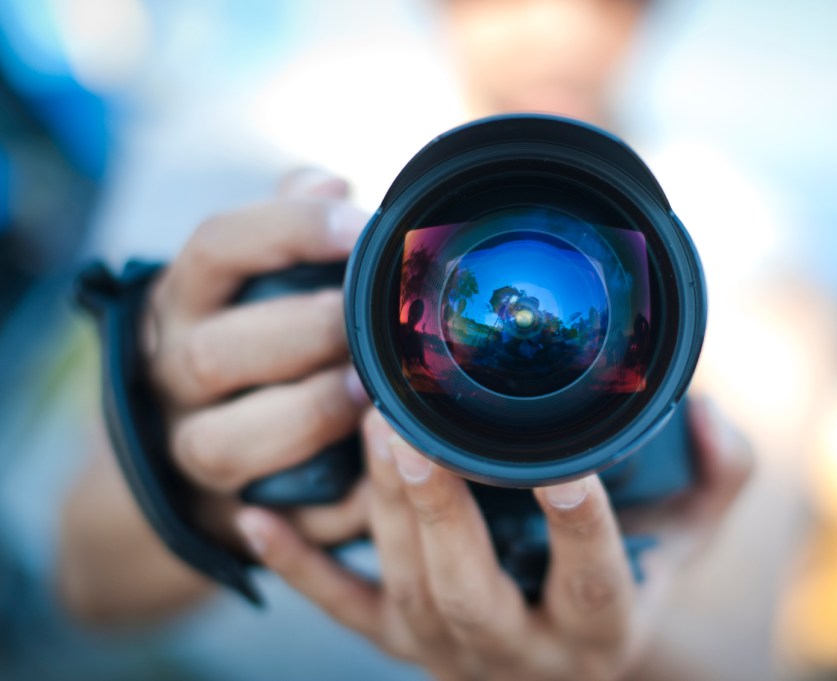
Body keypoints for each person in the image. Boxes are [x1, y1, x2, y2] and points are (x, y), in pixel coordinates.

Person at [57, 1, 754, 679]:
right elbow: (85, 579)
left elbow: (754, 651)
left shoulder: (751, 256)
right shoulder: (250, 162)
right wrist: (205, 491)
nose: (555, 22)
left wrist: (612, 659)